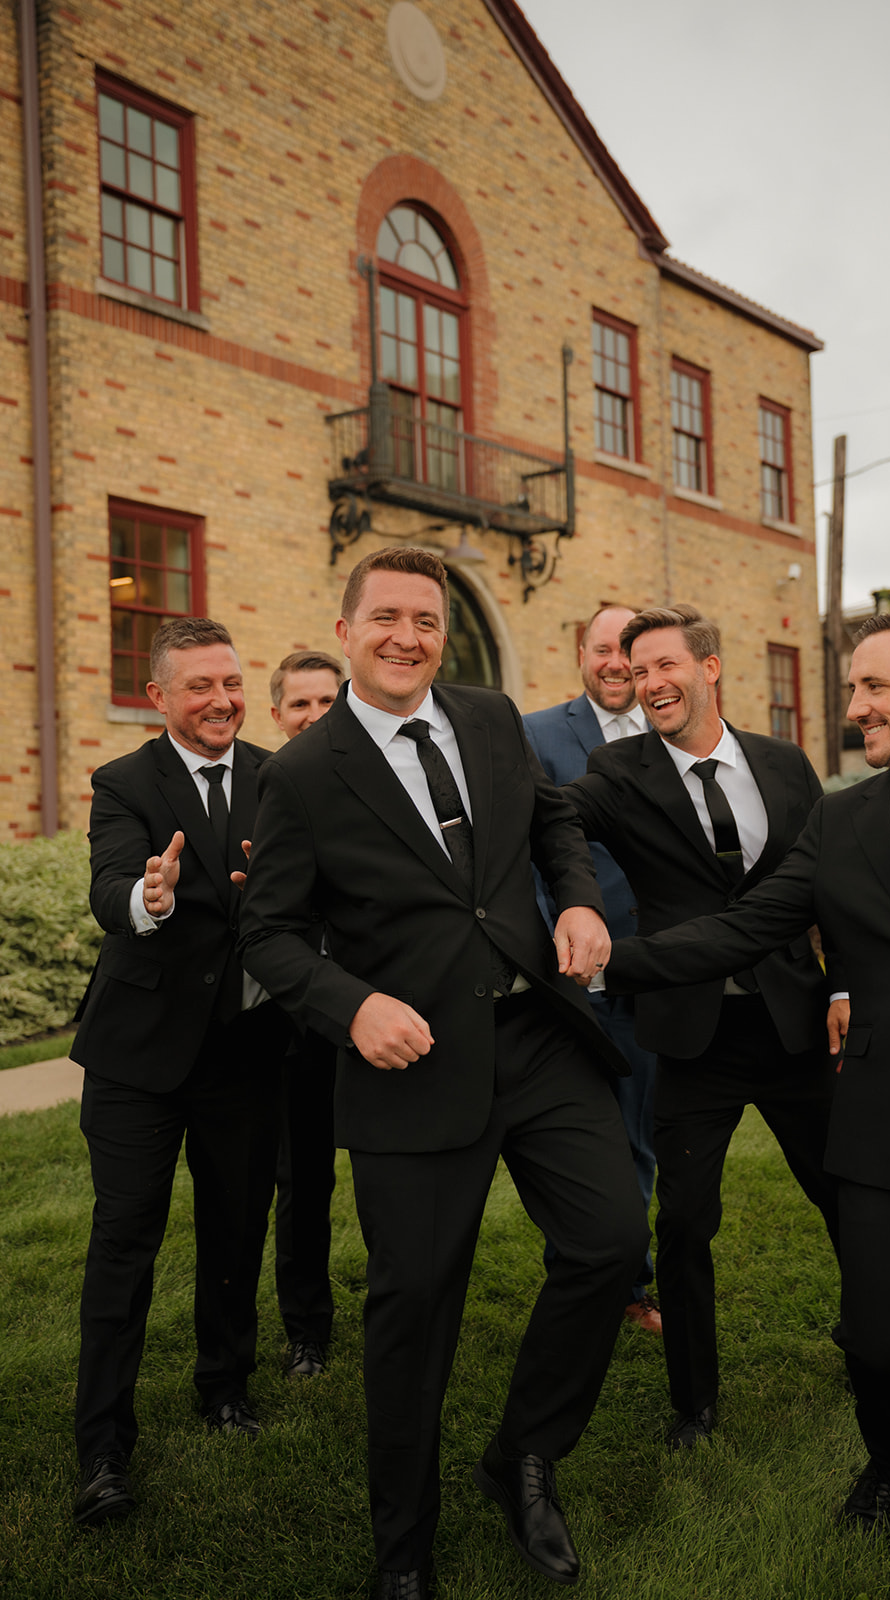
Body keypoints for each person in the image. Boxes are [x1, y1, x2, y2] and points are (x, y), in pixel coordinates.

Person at [606, 611, 890, 1594]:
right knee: (875, 1340)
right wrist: (611, 960)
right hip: (885, 1125)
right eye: (850, 687)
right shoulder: (842, 818)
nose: (852, 707)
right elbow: (745, 927)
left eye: (870, 687)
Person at [237, 546, 647, 1600]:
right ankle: (403, 1550)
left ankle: (521, 1453)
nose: (407, 636)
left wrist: (583, 902)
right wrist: (351, 1005)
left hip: (536, 1039)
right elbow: (270, 932)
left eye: (424, 618)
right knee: (414, 1307)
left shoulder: (486, 717)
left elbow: (554, 819)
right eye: (386, 617)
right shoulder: (302, 771)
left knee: (607, 1243)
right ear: (347, 626)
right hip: (411, 1061)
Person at [565, 603, 837, 1449]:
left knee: (850, 1196)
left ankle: (874, 1335)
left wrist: (845, 987)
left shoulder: (786, 765)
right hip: (692, 1037)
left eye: (663, 666)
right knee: (683, 1225)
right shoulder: (617, 771)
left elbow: (839, 884)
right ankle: (694, 1401)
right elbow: (552, 823)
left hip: (794, 1025)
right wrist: (575, 899)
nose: (647, 683)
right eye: (634, 669)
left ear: (709, 668)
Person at [70, 618, 287, 1528]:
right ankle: (103, 1448)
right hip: (138, 1057)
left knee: (236, 1232)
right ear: (158, 697)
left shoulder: (280, 779)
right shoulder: (124, 782)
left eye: (231, 682)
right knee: (127, 1238)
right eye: (198, 686)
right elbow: (111, 885)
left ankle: (225, 1386)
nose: (221, 701)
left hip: (244, 1053)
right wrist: (145, 897)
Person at [523, 604, 661, 1335]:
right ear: (579, 652)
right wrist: (558, 941)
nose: (615, 662)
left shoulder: (670, 734)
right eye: (602, 648)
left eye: (628, 651)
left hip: (659, 973)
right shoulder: (539, 735)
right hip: (574, 977)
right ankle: (583, 1282)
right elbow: (529, 853)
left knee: (640, 1133)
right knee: (582, 1142)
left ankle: (629, 1285)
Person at [269, 650, 345, 1378]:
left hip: (378, 1014)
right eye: (302, 705)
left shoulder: (373, 784)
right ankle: (306, 1331)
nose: (316, 717)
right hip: (296, 1027)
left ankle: (405, 1305)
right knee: (304, 1183)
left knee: (399, 1176)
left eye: (329, 702)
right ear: (279, 717)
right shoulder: (263, 792)